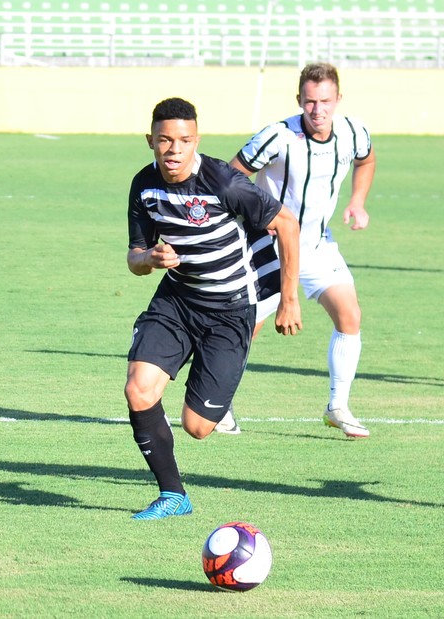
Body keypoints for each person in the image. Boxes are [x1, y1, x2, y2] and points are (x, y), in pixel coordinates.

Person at [125, 97, 302, 520]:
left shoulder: (224, 182)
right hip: (178, 299)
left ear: (196, 141)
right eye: (165, 140)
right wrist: (150, 259)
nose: (174, 150)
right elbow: (134, 258)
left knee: (197, 426)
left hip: (230, 309)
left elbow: (286, 225)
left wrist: (289, 299)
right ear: (150, 140)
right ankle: (173, 496)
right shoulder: (143, 185)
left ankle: (221, 371)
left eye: (184, 141)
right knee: (138, 388)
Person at [225, 62, 376, 439]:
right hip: (268, 247)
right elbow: (230, 176)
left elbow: (367, 159)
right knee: (248, 328)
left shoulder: (353, 132)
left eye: (325, 101)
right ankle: (219, 402)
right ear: (299, 101)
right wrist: (250, 219)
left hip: (317, 244)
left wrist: (357, 201)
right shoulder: (277, 136)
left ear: (338, 99)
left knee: (350, 315)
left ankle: (337, 406)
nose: (318, 110)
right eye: (310, 102)